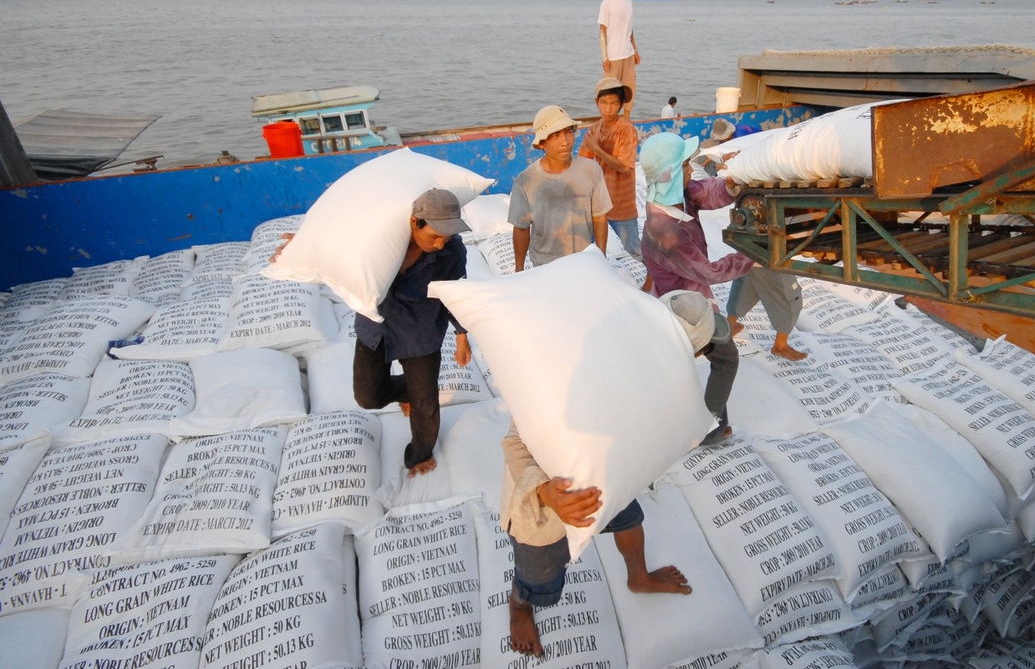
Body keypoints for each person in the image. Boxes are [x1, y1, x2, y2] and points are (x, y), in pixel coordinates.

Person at [504, 293, 732, 657]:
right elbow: (515, 440)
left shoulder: (658, 375)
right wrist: (547, 493)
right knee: (538, 573)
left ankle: (638, 577)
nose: (698, 358)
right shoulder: (583, 360)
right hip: (549, 494)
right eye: (698, 350)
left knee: (630, 521)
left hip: (610, 477)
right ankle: (519, 606)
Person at [271, 188, 473, 477]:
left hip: (421, 330)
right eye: (434, 235)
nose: (441, 243)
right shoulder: (378, 240)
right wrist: (302, 248)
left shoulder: (452, 252)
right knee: (368, 397)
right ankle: (408, 389)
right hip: (376, 325)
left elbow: (457, 293)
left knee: (425, 405)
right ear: (415, 222)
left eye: (447, 236)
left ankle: (420, 452)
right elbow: (336, 245)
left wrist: (462, 334)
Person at [639, 132, 807, 361]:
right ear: (671, 174)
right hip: (686, 308)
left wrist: (731, 180)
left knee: (709, 350)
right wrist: (752, 254)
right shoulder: (667, 233)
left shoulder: (673, 195)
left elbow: (706, 193)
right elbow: (711, 272)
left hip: (692, 292)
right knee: (719, 358)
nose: (691, 170)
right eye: (686, 165)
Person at [509, 105, 611, 270]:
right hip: (545, 265)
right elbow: (521, 228)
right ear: (542, 143)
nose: (565, 141)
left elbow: (599, 217)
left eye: (569, 132)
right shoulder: (526, 180)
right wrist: (519, 269)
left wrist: (602, 258)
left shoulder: (591, 170)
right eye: (555, 135)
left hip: (584, 261)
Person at [661, 289, 739, 445]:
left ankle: (710, 429)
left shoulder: (692, 305)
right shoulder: (662, 348)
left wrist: (712, 425)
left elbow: (727, 362)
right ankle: (702, 431)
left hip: (693, 316)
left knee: (726, 361)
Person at [580, 77, 641, 259]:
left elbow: (624, 167)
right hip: (596, 202)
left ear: (621, 105)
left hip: (620, 202)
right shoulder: (593, 130)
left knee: (633, 247)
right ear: (596, 102)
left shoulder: (626, 130)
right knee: (592, 249)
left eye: (614, 103)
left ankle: (653, 278)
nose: (608, 109)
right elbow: (584, 164)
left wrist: (597, 149)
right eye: (604, 103)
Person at [598, 0, 639, 118]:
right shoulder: (607, 3)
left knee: (629, 88)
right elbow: (602, 31)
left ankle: (626, 118)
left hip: (627, 53)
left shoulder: (629, 1)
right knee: (609, 91)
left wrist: (635, 51)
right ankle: (609, 119)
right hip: (613, 55)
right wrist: (605, 57)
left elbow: (630, 29)